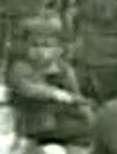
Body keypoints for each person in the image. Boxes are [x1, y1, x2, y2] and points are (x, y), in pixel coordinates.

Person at [6, 12, 92, 146]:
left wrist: (86, 112)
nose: (42, 51)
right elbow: (26, 88)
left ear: (58, 49)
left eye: (48, 46)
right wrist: (54, 93)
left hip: (61, 122)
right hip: (33, 124)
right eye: (35, 45)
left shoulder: (63, 69)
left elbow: (76, 95)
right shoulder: (20, 67)